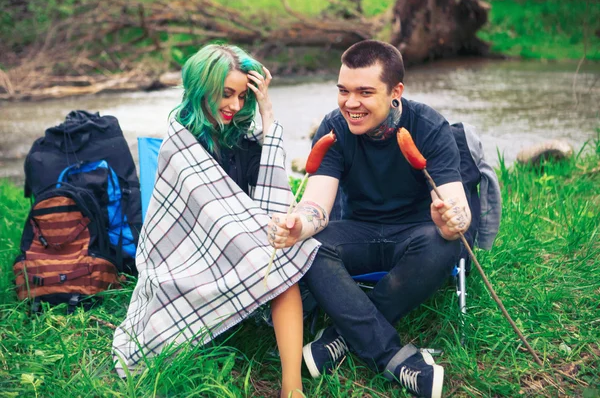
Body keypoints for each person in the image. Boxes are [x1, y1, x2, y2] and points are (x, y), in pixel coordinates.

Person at [267, 40, 472, 398]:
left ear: (396, 92)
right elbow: (317, 205)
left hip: (416, 235)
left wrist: (451, 219)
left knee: (445, 243)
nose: (350, 103)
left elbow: (457, 204)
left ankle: (341, 337)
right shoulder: (335, 128)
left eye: (364, 92)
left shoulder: (429, 126)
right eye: (343, 91)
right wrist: (299, 224)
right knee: (310, 246)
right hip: (359, 232)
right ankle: (393, 357)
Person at [112, 44, 318, 398]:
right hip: (186, 264)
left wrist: (267, 111)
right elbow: (204, 223)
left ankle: (292, 387)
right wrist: (256, 235)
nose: (235, 106)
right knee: (273, 254)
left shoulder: (243, 138)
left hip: (240, 249)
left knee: (283, 253)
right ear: (202, 88)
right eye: (225, 94)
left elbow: (273, 194)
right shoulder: (179, 145)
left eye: (242, 96)